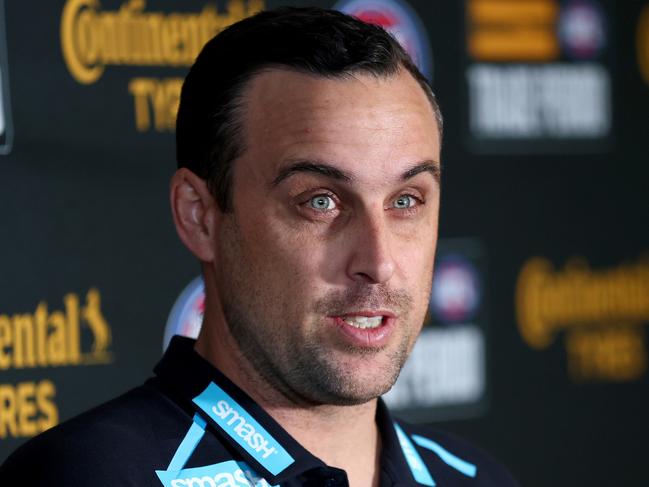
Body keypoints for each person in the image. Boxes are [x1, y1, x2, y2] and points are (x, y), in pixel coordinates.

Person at [0, 7, 518, 486]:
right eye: (321, 202)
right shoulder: (90, 476)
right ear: (199, 215)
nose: (378, 262)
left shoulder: (477, 479)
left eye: (406, 200)